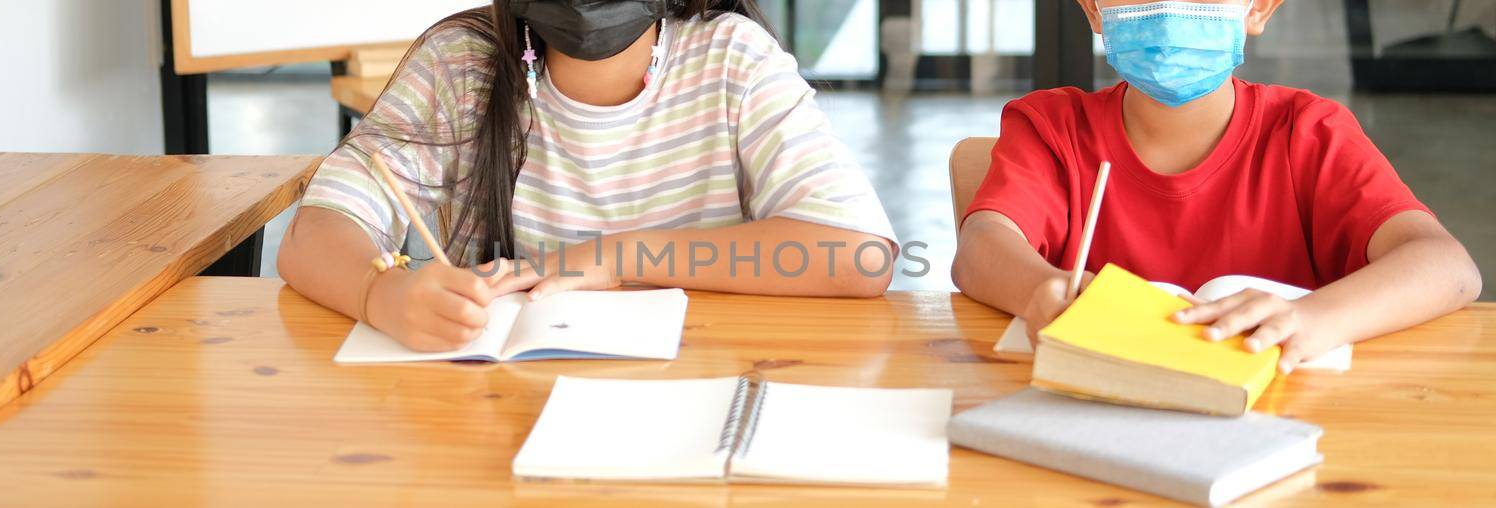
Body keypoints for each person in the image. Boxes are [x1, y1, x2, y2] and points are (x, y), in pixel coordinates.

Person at [279, 0, 897, 352]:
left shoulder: (735, 59)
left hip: (696, 395)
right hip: (497, 416)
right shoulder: (460, 63)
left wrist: (613, 258)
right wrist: (378, 294)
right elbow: (315, 233)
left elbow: (859, 255)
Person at [951, 0, 1482, 372]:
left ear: (1258, 9)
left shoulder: (1310, 133)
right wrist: (1038, 292)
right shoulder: (1051, 126)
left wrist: (1312, 319)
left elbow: (1449, 268)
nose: (1169, 5)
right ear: (1094, 9)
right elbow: (979, 248)